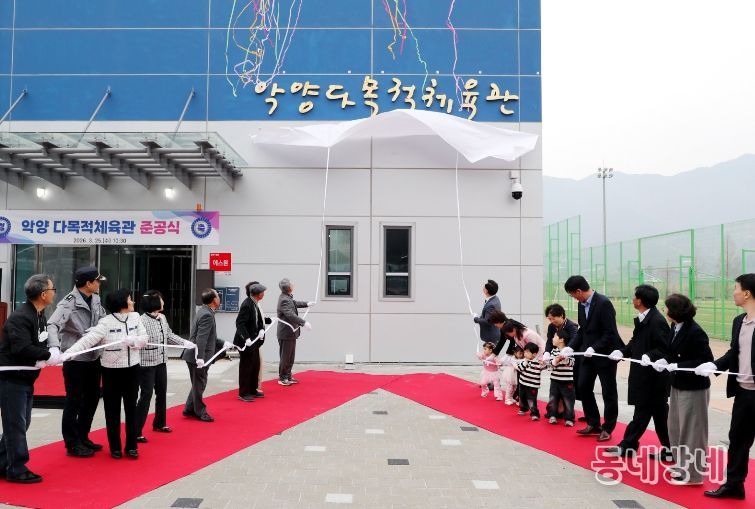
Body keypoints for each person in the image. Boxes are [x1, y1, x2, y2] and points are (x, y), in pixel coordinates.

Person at [62, 289, 147, 460]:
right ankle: (115, 447)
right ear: (122, 303)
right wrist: (67, 354)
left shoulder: (136, 317)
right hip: (111, 372)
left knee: (131, 409)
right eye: (130, 299)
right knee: (112, 410)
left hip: (132, 370)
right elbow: (87, 341)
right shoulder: (105, 322)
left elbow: (144, 337)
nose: (132, 302)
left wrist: (135, 341)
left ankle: (131, 446)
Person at [0, 275, 61, 483]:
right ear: (43, 294)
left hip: (25, 378)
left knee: (21, 423)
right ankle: (17, 469)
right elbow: (22, 348)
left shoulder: (39, 314)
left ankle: (3, 462)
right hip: (11, 379)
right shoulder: (21, 317)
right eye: (52, 289)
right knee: (15, 425)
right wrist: (47, 356)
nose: (54, 293)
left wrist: (52, 352)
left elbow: (38, 342)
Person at [701, 273, 755, 500]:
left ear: (747, 293)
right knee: (738, 439)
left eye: (735, 288)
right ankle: (734, 485)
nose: (733, 293)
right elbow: (734, 353)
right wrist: (713, 366)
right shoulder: (739, 321)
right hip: (744, 392)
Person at [46, 266, 107, 458]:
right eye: (97, 281)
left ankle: (83, 436)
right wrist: (55, 347)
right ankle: (72, 443)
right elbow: (52, 324)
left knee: (92, 398)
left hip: (93, 356)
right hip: (76, 359)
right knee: (74, 400)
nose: (99, 284)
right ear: (88, 283)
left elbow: (103, 320)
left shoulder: (95, 299)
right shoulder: (68, 303)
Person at [605, 285, 672, 458]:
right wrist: (622, 352)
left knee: (643, 414)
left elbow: (664, 348)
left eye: (635, 297)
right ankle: (670, 449)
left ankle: (628, 445)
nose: (633, 299)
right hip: (645, 377)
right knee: (660, 417)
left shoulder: (656, 321)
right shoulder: (645, 318)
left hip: (653, 379)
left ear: (640, 301)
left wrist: (650, 355)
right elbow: (636, 341)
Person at [656, 293, 713, 486]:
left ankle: (694, 474)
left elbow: (706, 360)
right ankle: (682, 465)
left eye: (666, 307)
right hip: (677, 384)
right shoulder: (675, 327)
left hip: (694, 388)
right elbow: (671, 352)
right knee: (676, 427)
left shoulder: (695, 332)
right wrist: (665, 360)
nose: (664, 310)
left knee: (692, 431)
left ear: (675, 311)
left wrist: (679, 365)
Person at [562, 275, 624, 442]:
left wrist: (595, 347)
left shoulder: (603, 303)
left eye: (572, 294)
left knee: (608, 392)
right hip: (587, 355)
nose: (573, 298)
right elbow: (582, 330)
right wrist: (571, 347)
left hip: (604, 355)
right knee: (583, 386)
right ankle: (593, 423)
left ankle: (608, 428)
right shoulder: (581, 305)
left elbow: (610, 333)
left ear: (578, 291)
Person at [136, 290, 194, 443]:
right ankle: (136, 430)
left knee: (161, 393)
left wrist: (184, 343)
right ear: (154, 302)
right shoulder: (141, 321)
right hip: (147, 364)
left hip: (161, 361)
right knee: (146, 395)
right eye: (161, 299)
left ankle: (160, 423)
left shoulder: (162, 318)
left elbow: (169, 335)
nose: (163, 302)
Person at [182, 288, 226, 422]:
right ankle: (200, 412)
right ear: (213, 300)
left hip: (195, 355)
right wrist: (200, 358)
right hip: (197, 357)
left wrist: (224, 343)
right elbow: (201, 339)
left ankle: (189, 408)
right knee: (200, 384)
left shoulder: (204, 311)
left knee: (198, 384)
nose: (219, 298)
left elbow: (210, 337)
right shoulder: (207, 315)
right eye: (218, 296)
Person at [235, 282, 272, 402]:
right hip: (245, 342)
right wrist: (246, 338)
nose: (264, 294)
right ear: (258, 294)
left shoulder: (255, 303)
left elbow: (258, 320)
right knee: (246, 367)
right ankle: (243, 393)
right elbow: (240, 323)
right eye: (262, 292)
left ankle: (252, 389)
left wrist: (261, 328)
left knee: (255, 365)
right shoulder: (247, 304)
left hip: (254, 341)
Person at [276, 279, 313, 386]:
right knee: (285, 357)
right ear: (288, 288)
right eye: (291, 284)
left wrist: (307, 304)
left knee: (290, 356)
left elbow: (294, 303)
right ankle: (283, 377)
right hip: (286, 333)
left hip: (291, 333)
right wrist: (303, 323)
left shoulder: (287, 297)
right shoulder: (284, 299)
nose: (293, 285)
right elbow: (290, 315)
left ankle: (288, 375)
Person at [545, 332, 576, 427]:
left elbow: (572, 363)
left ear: (561, 340)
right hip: (555, 380)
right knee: (553, 399)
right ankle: (552, 415)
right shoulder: (553, 351)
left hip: (567, 381)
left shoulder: (569, 351)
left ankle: (569, 419)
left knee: (568, 400)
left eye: (555, 336)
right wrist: (556, 360)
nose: (552, 338)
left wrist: (564, 359)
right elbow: (549, 365)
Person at [514, 343, 545, 421]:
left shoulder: (538, 362)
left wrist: (544, 363)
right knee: (522, 397)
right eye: (524, 352)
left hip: (533, 385)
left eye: (527, 352)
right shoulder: (523, 361)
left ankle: (534, 413)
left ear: (534, 354)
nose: (525, 354)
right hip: (522, 383)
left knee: (532, 399)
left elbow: (546, 366)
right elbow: (520, 368)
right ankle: (523, 408)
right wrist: (525, 362)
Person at [474, 280, 502, 345]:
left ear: (486, 291)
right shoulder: (495, 298)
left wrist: (476, 319)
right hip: (493, 334)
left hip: (490, 336)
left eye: (484, 287)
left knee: (490, 351)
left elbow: (487, 322)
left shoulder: (491, 305)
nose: (483, 288)